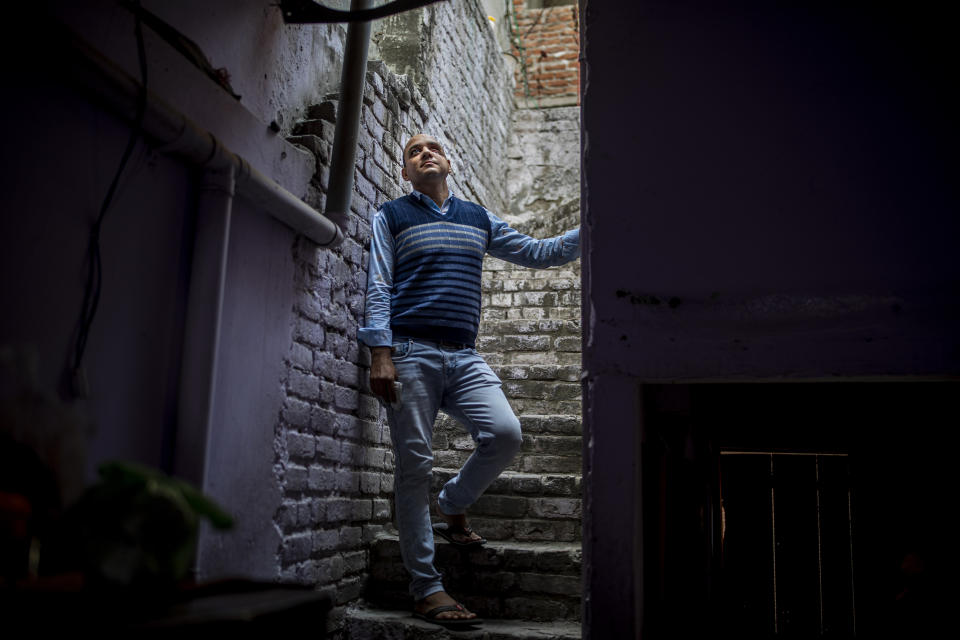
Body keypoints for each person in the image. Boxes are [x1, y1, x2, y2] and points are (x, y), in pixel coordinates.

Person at [359, 133, 580, 627]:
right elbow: (378, 284)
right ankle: (427, 587)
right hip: (410, 351)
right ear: (405, 173)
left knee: (505, 434)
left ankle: (453, 502)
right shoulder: (391, 216)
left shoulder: (477, 217)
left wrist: (596, 224)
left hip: (464, 356)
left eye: (432, 148)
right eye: (413, 153)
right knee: (414, 464)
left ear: (449, 161)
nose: (425, 154)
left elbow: (539, 252)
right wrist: (380, 351)